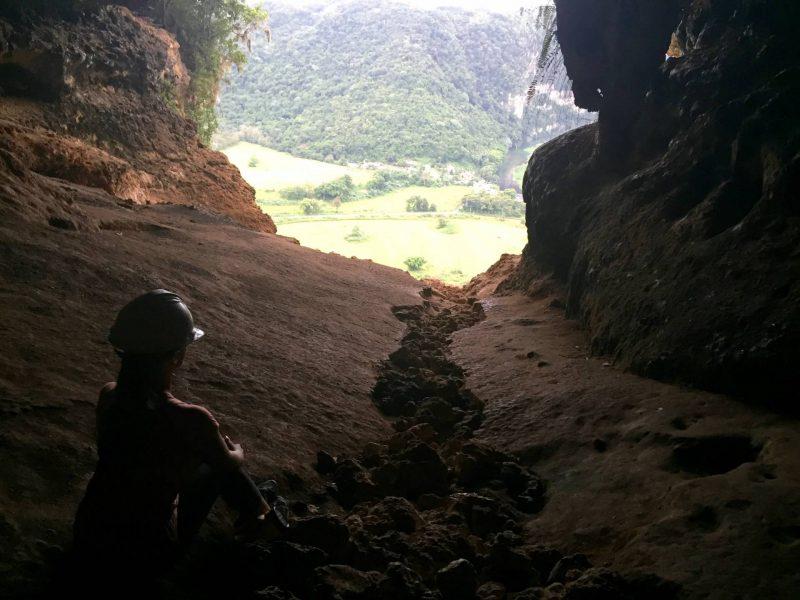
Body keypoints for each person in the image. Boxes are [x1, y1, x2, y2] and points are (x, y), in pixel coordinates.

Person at [72, 289, 272, 585]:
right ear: (177, 356)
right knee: (220, 462)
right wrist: (237, 450)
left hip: (89, 535)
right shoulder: (191, 418)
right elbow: (228, 463)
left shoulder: (109, 394)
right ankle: (258, 514)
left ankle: (257, 511)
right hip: (147, 556)